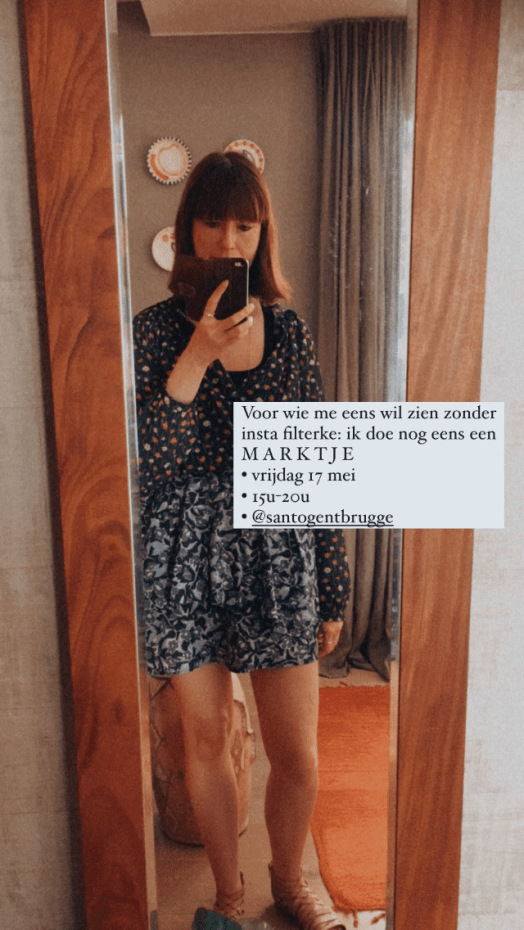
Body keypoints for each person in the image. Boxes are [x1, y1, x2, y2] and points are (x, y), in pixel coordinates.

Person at [133, 152, 350, 930]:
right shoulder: (152, 331)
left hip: (277, 552)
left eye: (246, 225)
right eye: (214, 221)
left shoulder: (288, 332)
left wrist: (334, 587)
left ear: (264, 234)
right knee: (207, 741)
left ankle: (290, 882)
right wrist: (196, 354)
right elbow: (153, 460)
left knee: (298, 753)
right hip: (184, 559)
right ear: (188, 228)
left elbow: (318, 462)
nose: (230, 239)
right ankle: (227, 894)